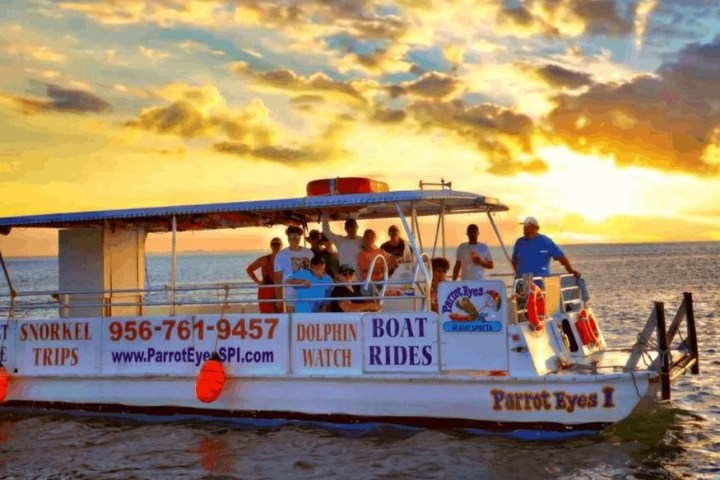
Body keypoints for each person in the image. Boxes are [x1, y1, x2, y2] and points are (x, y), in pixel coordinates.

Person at [511, 216, 580, 278]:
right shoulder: (519, 242)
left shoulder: (546, 242)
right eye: (524, 226)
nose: (525, 228)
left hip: (540, 283)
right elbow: (514, 260)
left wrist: (571, 271)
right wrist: (518, 274)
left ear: (537, 228)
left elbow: (561, 258)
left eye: (528, 226)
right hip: (522, 283)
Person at [274, 225, 314, 313]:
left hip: (306, 294)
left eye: (297, 237)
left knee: (306, 321)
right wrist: (279, 299)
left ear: (300, 238)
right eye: (291, 237)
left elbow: (314, 273)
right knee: (291, 322)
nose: (294, 239)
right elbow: (277, 279)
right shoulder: (282, 255)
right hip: (290, 295)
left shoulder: (309, 253)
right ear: (288, 238)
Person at [245, 237, 283, 313]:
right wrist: (258, 282)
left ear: (281, 246)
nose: (276, 246)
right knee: (267, 316)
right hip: (266, 290)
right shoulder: (265, 259)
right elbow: (249, 269)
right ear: (271, 246)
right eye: (274, 244)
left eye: (278, 244)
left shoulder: (284, 260)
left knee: (281, 316)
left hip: (279, 290)